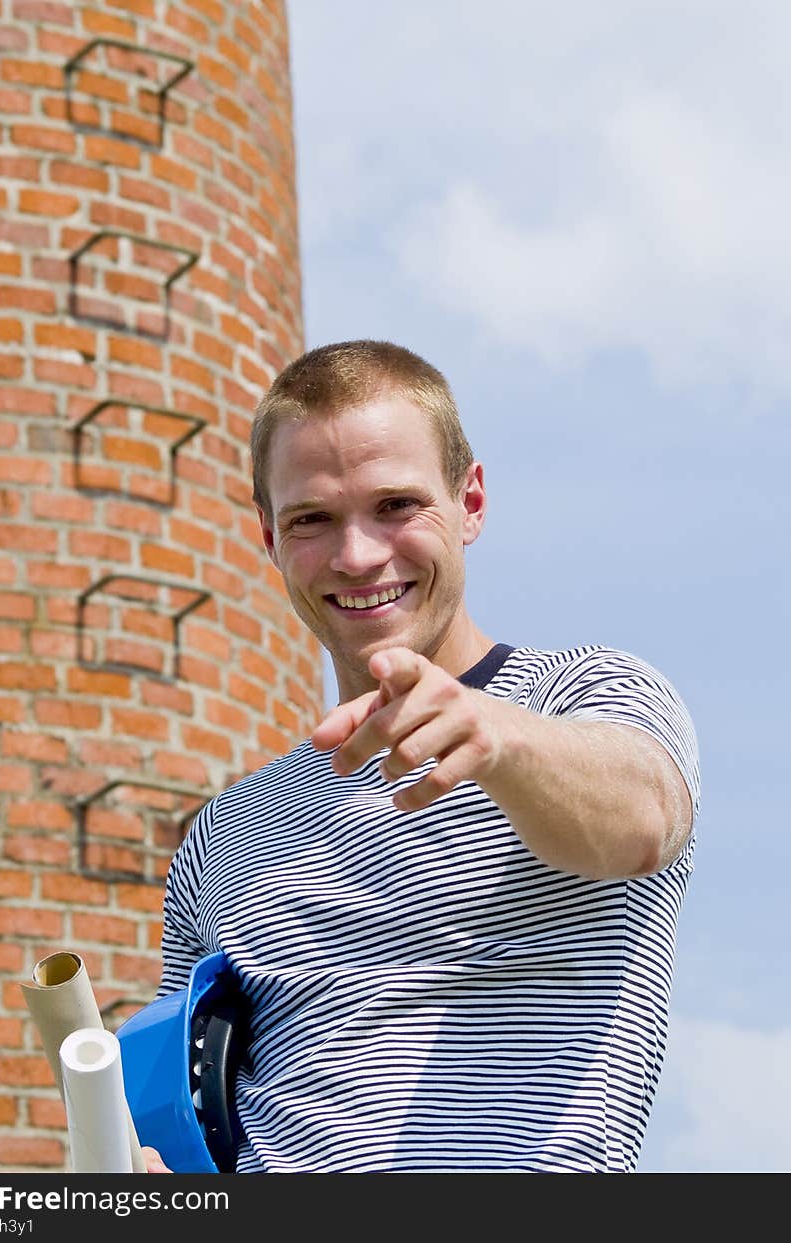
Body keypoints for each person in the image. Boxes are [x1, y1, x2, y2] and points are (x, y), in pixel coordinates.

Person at [143, 339, 700, 1174]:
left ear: (470, 501)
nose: (358, 555)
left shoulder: (581, 696)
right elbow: (189, 1107)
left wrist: (494, 734)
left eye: (397, 504)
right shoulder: (222, 834)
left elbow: (644, 820)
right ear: (268, 535)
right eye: (312, 519)